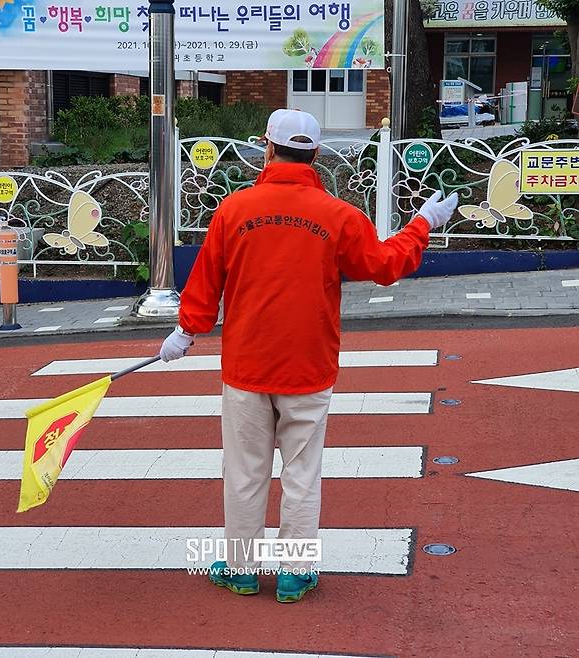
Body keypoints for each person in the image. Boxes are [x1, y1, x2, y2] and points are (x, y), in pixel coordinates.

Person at [160, 109, 458, 603]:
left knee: (245, 471)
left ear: (267, 147)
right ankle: (296, 572)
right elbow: (384, 265)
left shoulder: (234, 210)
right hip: (309, 366)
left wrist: (185, 332)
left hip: (246, 366)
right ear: (316, 155)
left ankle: (241, 567)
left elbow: (206, 283)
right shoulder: (337, 215)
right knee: (302, 472)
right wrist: (423, 222)